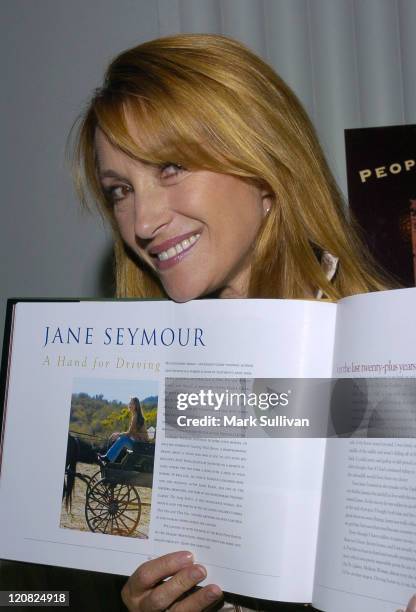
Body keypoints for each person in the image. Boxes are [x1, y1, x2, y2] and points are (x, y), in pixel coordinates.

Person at [72, 33, 416, 612]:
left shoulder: (393, 348)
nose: (144, 221)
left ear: (262, 169)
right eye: (120, 191)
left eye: (172, 167)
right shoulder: (158, 378)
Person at [98, 397, 149, 465]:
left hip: (140, 446)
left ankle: (108, 458)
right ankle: (108, 458)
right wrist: (119, 434)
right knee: (122, 439)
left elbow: (129, 433)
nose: (130, 405)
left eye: (132, 404)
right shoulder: (135, 416)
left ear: (136, 406)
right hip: (138, 444)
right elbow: (131, 434)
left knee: (123, 439)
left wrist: (117, 434)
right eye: (130, 403)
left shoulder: (136, 417)